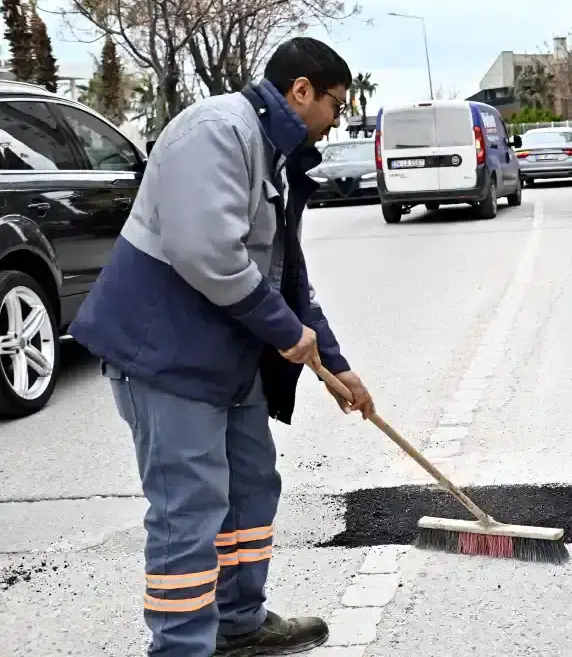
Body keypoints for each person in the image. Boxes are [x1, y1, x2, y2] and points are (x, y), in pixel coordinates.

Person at [69, 37, 375, 656]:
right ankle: (183, 647)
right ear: (302, 91)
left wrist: (336, 366)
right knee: (189, 511)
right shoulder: (217, 132)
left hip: (226, 358)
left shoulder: (275, 153)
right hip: (166, 357)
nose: (338, 119)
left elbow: (286, 277)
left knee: (251, 489)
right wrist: (286, 333)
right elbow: (205, 251)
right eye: (336, 104)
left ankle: (239, 624)